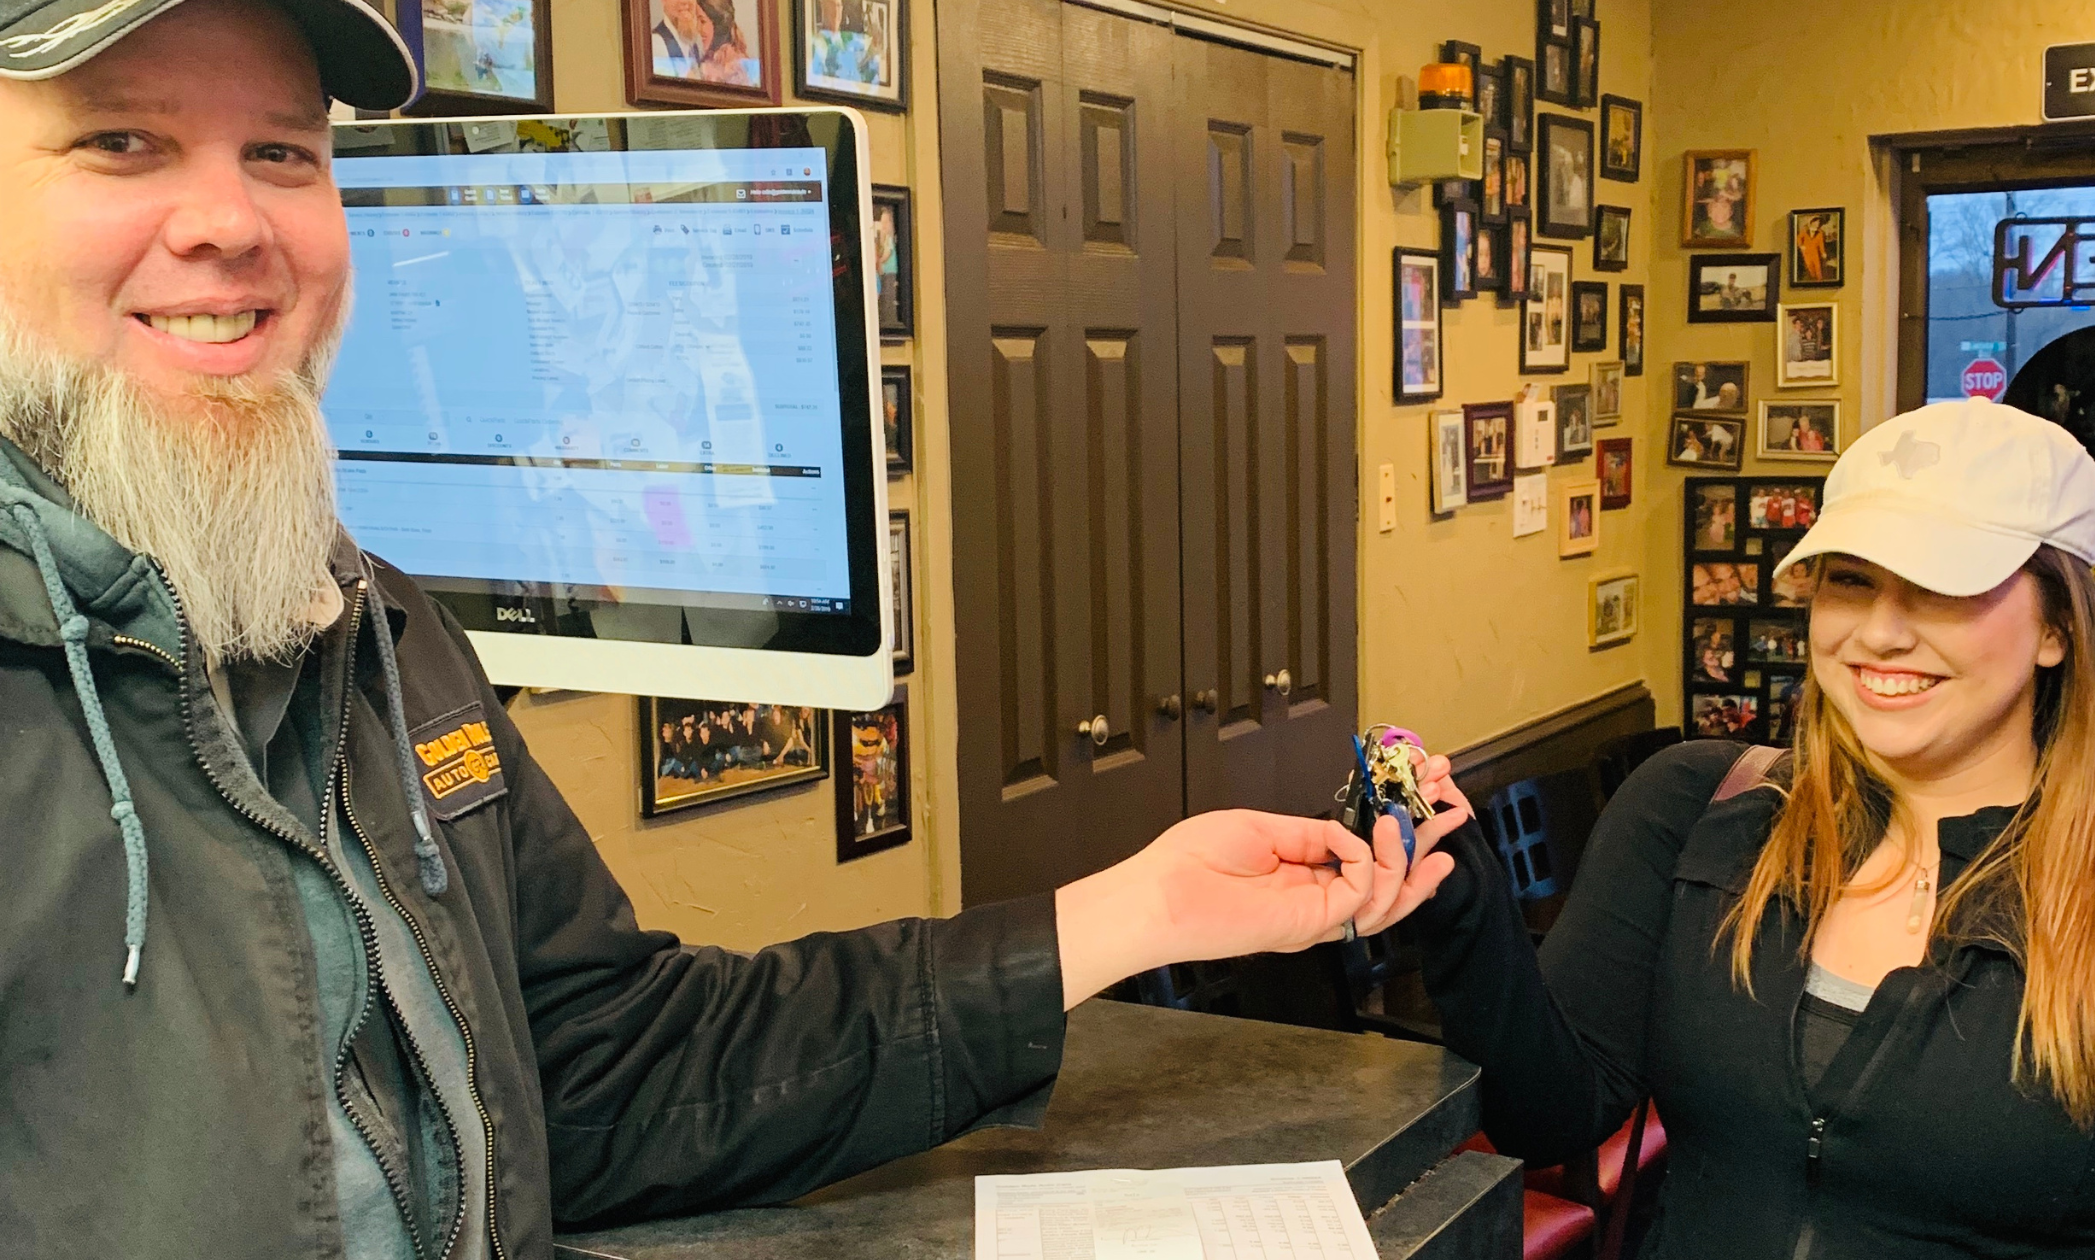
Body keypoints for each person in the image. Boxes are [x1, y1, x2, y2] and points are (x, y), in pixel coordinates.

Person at [0, 2, 1462, 1255]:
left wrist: (1132, 915)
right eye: (121, 141)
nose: (231, 222)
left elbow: (603, 1074)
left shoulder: (375, 631)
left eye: (283, 152)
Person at [1410, 399, 2095, 1257]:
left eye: (1944, 587)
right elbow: (1548, 1115)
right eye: (1850, 580)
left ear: (2057, 629)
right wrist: (1460, 901)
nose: (1880, 633)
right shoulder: (1697, 810)